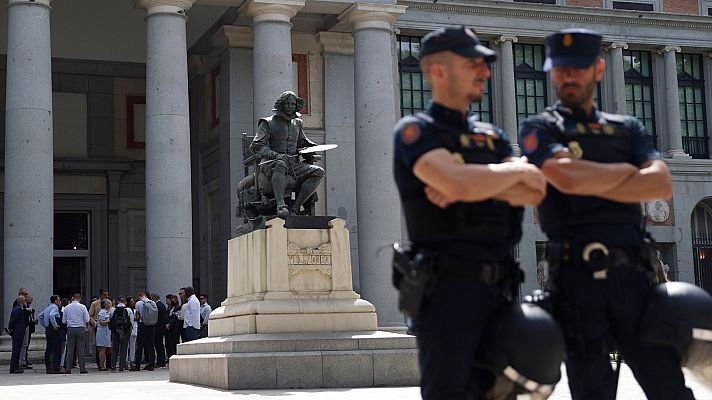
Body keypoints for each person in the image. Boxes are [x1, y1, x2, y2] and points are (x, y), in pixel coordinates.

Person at [519, 29, 693, 399]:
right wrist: (629, 174)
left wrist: (584, 174)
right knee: (592, 391)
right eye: (560, 69)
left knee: (669, 388)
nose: (568, 76)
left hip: (635, 281)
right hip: (575, 282)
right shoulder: (541, 127)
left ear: (598, 69)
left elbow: (660, 184)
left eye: (578, 68)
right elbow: (563, 177)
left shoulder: (627, 128)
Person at [392, 27, 546, 399]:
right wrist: (511, 173)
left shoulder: (491, 136)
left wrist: (471, 180)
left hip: (503, 290)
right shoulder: (416, 132)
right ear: (439, 72)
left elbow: (536, 186)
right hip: (446, 293)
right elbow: (462, 184)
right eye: (473, 63)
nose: (485, 71)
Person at [250, 91, 325, 218]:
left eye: (292, 103)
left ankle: (295, 208)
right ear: (281, 105)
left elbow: (303, 143)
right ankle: (281, 205)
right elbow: (256, 146)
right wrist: (275, 155)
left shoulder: (298, 123)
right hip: (271, 163)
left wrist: (313, 149)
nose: (290, 106)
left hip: (293, 165)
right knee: (281, 164)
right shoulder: (267, 122)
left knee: (318, 172)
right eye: (287, 103)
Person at [62, 293, 90, 374]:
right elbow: (87, 319)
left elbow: (63, 320)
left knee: (70, 349)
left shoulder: (67, 307)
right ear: (79, 298)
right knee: (81, 349)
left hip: (70, 329)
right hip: (80, 328)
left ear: (72, 298)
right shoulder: (82, 307)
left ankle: (68, 368)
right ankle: (82, 368)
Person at [130, 291, 156, 371]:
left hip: (142, 325)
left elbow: (137, 316)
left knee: (140, 345)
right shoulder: (152, 302)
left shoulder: (139, 303)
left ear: (141, 296)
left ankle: (137, 365)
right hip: (151, 325)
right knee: (151, 345)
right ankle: (152, 364)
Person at [38, 295, 62, 374]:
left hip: (48, 329)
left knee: (49, 348)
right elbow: (52, 315)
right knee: (56, 349)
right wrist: (55, 325)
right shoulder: (54, 308)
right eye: (58, 300)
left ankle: (48, 367)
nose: (59, 302)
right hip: (53, 330)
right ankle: (55, 367)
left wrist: (45, 325)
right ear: (55, 301)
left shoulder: (47, 307)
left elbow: (40, 316)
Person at [109, 297, 134, 372]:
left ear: (118, 301)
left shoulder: (113, 309)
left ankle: (113, 366)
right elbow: (131, 321)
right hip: (125, 332)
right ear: (125, 302)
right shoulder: (128, 310)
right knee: (123, 348)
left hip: (115, 331)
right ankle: (121, 366)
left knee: (114, 349)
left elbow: (110, 319)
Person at [88, 289, 109, 367]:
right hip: (98, 325)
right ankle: (99, 363)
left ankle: (107, 363)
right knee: (99, 345)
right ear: (100, 295)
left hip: (107, 326)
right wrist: (94, 323)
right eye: (105, 295)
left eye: (107, 295)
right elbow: (90, 315)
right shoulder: (95, 304)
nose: (106, 296)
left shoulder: (108, 303)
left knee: (107, 345)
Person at [8, 295, 28, 374]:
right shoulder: (18, 309)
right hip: (18, 332)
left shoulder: (17, 308)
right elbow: (14, 320)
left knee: (17, 350)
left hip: (17, 332)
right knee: (16, 351)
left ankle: (15, 366)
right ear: (22, 301)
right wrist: (10, 328)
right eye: (24, 301)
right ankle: (14, 367)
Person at [19, 292, 36, 369]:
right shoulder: (23, 307)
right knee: (23, 344)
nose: (32, 300)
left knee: (26, 344)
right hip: (24, 326)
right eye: (31, 299)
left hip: (28, 326)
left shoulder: (28, 306)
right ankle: (22, 361)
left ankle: (24, 359)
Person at [151, 293, 168, 368]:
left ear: (154, 297)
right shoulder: (162, 305)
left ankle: (160, 361)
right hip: (161, 328)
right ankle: (161, 361)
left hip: (158, 328)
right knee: (159, 345)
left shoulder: (158, 306)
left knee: (158, 345)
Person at [96, 299, 113, 371]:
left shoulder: (107, 312)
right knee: (102, 348)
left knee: (107, 348)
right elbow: (101, 322)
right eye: (109, 304)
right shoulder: (102, 312)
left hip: (106, 332)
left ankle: (106, 365)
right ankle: (101, 365)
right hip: (102, 332)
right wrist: (110, 320)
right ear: (105, 305)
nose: (110, 305)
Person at [164, 295, 181, 362]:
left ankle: (174, 356)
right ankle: (169, 356)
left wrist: (170, 325)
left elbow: (176, 318)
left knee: (174, 343)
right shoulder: (169, 308)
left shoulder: (177, 308)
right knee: (168, 344)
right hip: (168, 329)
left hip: (174, 329)